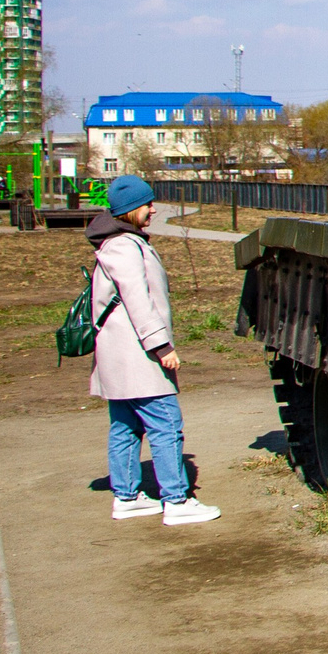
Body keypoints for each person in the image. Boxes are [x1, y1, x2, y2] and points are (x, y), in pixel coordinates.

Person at [87, 175, 219, 525]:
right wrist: (161, 346)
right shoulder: (124, 247)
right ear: (132, 210)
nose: (153, 209)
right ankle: (176, 500)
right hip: (138, 355)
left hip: (120, 355)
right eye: (148, 204)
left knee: (126, 426)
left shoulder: (117, 243)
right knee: (166, 423)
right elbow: (138, 300)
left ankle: (127, 496)